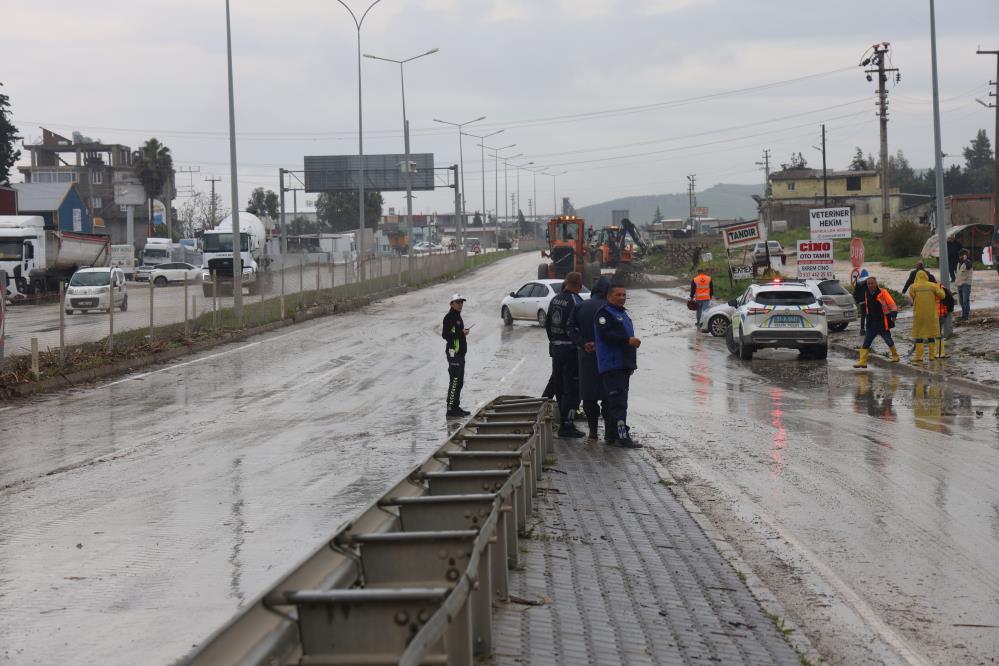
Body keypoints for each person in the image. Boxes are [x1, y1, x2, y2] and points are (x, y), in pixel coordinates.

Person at [594, 283, 642, 448]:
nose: (622, 297)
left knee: (615, 401)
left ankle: (612, 435)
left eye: (624, 295)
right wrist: (628, 340)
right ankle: (623, 437)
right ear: (609, 296)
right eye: (618, 295)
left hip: (622, 365)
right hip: (612, 365)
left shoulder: (623, 313)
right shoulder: (604, 314)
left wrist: (631, 365)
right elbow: (607, 334)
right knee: (618, 403)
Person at [568, 276, 610, 441]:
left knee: (589, 396)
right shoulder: (611, 308)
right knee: (609, 396)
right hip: (608, 360)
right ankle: (609, 433)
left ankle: (593, 432)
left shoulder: (580, 307)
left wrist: (583, 343)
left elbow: (570, 328)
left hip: (586, 358)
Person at [545, 272, 585, 437]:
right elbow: (581, 327)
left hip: (556, 348)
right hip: (571, 350)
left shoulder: (555, 299)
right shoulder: (576, 301)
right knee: (572, 389)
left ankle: (561, 419)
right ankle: (567, 425)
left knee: (559, 385)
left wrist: (553, 342)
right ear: (579, 285)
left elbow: (548, 323)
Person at [854, 276, 900, 368]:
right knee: (866, 342)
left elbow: (892, 305)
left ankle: (895, 356)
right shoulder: (866, 293)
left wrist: (894, 315)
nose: (870, 285)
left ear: (876, 284)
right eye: (868, 284)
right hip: (871, 322)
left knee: (888, 340)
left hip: (882, 322)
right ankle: (862, 361)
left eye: (872, 283)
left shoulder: (883, 292)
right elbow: (867, 307)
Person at [906, 271, 945, 364]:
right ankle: (931, 356)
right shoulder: (932, 286)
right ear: (926, 276)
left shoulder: (913, 286)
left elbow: (912, 296)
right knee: (931, 335)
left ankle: (919, 357)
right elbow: (942, 296)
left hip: (919, 314)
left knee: (919, 335)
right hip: (931, 314)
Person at [442, 293, 471, 417]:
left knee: (459, 381)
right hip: (453, 354)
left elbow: (458, 333)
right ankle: (450, 409)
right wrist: (461, 333)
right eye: (458, 302)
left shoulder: (458, 316)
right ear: (451, 304)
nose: (460, 305)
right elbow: (445, 335)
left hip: (459, 354)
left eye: (461, 302)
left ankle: (456, 407)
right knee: (454, 380)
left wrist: (462, 333)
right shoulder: (449, 317)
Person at [935, 285, 955, 358]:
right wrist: (949, 310)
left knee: (937, 333)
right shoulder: (942, 287)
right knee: (938, 332)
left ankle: (939, 353)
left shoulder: (933, 288)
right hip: (942, 313)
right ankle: (940, 352)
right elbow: (950, 300)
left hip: (937, 314)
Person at [954, 249, 973, 321]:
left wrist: (965, 259)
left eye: (961, 255)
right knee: (961, 301)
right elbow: (958, 274)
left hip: (966, 284)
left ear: (964, 255)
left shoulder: (968, 262)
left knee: (965, 301)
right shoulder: (959, 263)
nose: (959, 257)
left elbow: (968, 266)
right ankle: (963, 314)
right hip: (959, 284)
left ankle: (966, 316)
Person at [852, 268, 870, 336]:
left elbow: (855, 293)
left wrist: (857, 301)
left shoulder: (858, 283)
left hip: (861, 302)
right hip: (868, 301)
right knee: (869, 315)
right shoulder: (868, 281)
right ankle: (869, 329)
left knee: (863, 315)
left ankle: (862, 330)